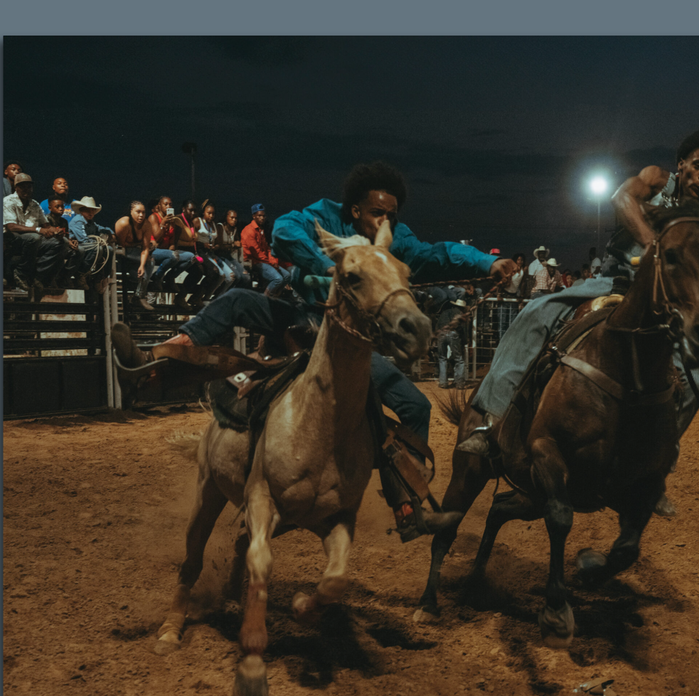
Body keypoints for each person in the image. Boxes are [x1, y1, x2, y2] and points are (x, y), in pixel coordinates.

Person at [116, 161, 518, 537]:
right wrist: (327, 267)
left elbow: (436, 254)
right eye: (379, 212)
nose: (386, 221)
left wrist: (485, 263)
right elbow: (286, 231)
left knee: (417, 407)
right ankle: (156, 361)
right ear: (356, 208)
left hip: (347, 341)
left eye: (392, 214)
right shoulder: (322, 216)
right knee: (236, 300)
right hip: (301, 315)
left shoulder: (394, 240)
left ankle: (406, 504)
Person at [456, 129, 699, 518]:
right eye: (698, 165)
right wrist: (653, 243)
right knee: (535, 314)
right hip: (616, 281)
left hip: (663, 301)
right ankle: (489, 421)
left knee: (694, 385)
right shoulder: (655, 179)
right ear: (681, 164)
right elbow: (622, 197)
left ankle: (655, 468)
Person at [2, 172, 66, 298]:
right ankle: (21, 272)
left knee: (62, 243)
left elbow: (45, 225)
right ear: (16, 188)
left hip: (32, 241)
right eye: (23, 186)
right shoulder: (8, 201)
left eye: (29, 187)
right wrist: (38, 230)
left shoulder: (34, 204)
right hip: (12, 240)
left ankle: (39, 277)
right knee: (34, 237)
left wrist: (55, 231)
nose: (27, 189)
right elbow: (11, 227)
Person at [64, 196, 117, 292]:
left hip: (88, 245)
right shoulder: (77, 221)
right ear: (81, 210)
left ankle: (101, 277)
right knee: (98, 248)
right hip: (78, 246)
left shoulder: (91, 222)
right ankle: (81, 274)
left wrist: (111, 232)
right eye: (88, 210)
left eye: (92, 210)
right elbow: (83, 239)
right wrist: (100, 242)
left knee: (109, 249)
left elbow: (101, 228)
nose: (91, 213)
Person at [242, 203, 292, 297]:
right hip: (254, 262)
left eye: (263, 216)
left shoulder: (261, 230)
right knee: (278, 279)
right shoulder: (249, 231)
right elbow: (257, 253)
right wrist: (271, 264)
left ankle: (274, 297)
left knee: (287, 276)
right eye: (259, 215)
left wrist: (273, 261)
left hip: (264, 261)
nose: (262, 218)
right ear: (254, 216)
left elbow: (267, 249)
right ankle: (264, 299)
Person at [436, 294, 469, 389]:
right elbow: (461, 329)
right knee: (459, 359)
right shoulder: (460, 315)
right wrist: (464, 341)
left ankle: (443, 382)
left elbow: (438, 325)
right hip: (453, 334)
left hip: (441, 334)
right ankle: (459, 383)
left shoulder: (445, 312)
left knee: (442, 358)